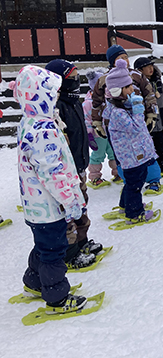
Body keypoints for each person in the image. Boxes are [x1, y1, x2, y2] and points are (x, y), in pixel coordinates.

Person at [13, 65, 87, 314]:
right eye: (51, 93)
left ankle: (34, 282)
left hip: (36, 206)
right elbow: (53, 174)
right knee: (54, 251)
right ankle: (56, 297)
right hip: (49, 205)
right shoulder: (42, 130)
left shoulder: (29, 122)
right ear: (39, 95)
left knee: (43, 246)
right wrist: (71, 200)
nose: (55, 96)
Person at [45, 60, 102, 268]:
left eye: (77, 76)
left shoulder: (74, 101)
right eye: (71, 77)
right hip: (64, 173)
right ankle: (69, 253)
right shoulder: (55, 107)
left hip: (79, 166)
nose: (75, 81)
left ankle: (82, 242)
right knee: (67, 212)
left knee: (81, 207)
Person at [102, 60, 157, 223]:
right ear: (117, 91)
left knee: (132, 182)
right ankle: (134, 213)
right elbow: (136, 127)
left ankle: (126, 205)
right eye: (128, 87)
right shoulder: (118, 112)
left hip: (134, 153)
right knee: (135, 184)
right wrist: (139, 110)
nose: (133, 89)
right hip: (132, 157)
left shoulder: (122, 107)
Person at [133, 56, 163, 177]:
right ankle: (150, 168)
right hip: (146, 120)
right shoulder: (137, 85)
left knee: (160, 143)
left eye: (151, 66)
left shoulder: (158, 82)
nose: (150, 69)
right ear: (140, 70)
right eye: (147, 67)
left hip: (159, 117)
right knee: (147, 146)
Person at [83, 70, 120, 187]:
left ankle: (118, 173)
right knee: (98, 155)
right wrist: (89, 134)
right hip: (97, 134)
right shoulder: (88, 103)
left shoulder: (108, 99)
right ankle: (94, 176)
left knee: (114, 153)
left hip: (111, 131)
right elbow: (87, 119)